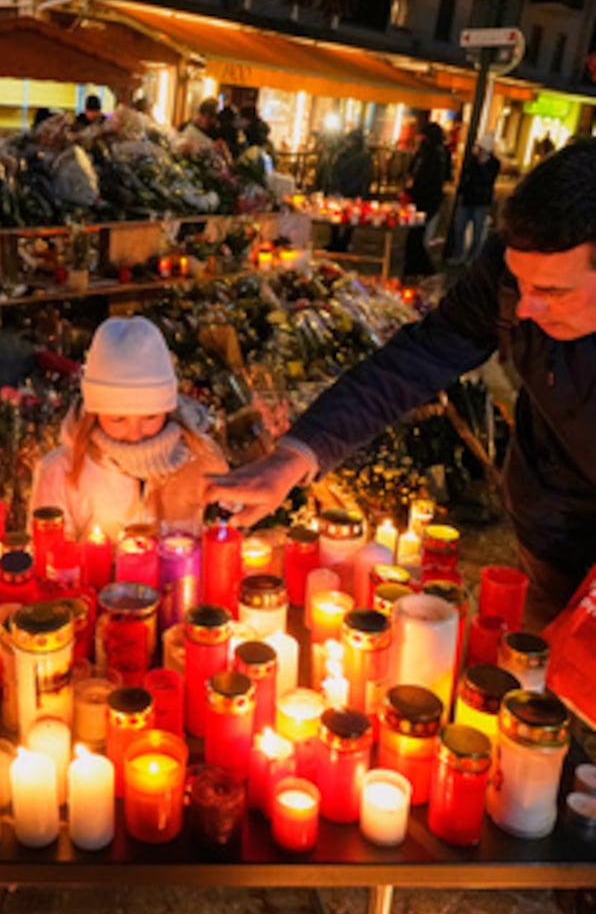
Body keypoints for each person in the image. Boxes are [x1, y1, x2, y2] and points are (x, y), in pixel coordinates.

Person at [206, 139, 596, 632]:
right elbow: (417, 358)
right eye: (521, 285)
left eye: (551, 292)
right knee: (557, 677)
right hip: (553, 530)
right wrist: (297, 456)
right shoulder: (509, 275)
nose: (524, 309)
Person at [31, 316, 228, 541]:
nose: (134, 434)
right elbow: (49, 558)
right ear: (94, 412)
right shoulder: (61, 472)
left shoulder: (202, 457)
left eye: (150, 417)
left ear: (169, 408)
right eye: (118, 419)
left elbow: (226, 533)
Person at [402, 121, 450, 278]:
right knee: (416, 234)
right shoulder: (429, 153)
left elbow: (427, 178)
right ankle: (415, 266)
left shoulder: (434, 155)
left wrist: (412, 190)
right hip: (424, 198)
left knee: (416, 235)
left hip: (425, 200)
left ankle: (422, 267)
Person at [449, 133, 501, 265]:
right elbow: (467, 176)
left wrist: (482, 166)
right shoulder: (473, 160)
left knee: (478, 231)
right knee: (459, 227)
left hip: (481, 201)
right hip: (468, 198)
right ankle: (459, 254)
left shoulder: (494, 163)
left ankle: (473, 257)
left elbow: (489, 180)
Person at [324, 128, 373, 253]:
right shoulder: (342, 154)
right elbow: (334, 171)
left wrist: (361, 192)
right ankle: (335, 240)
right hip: (341, 189)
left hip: (353, 190)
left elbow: (365, 176)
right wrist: (335, 186)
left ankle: (344, 242)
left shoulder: (363, 157)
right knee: (335, 216)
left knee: (350, 218)